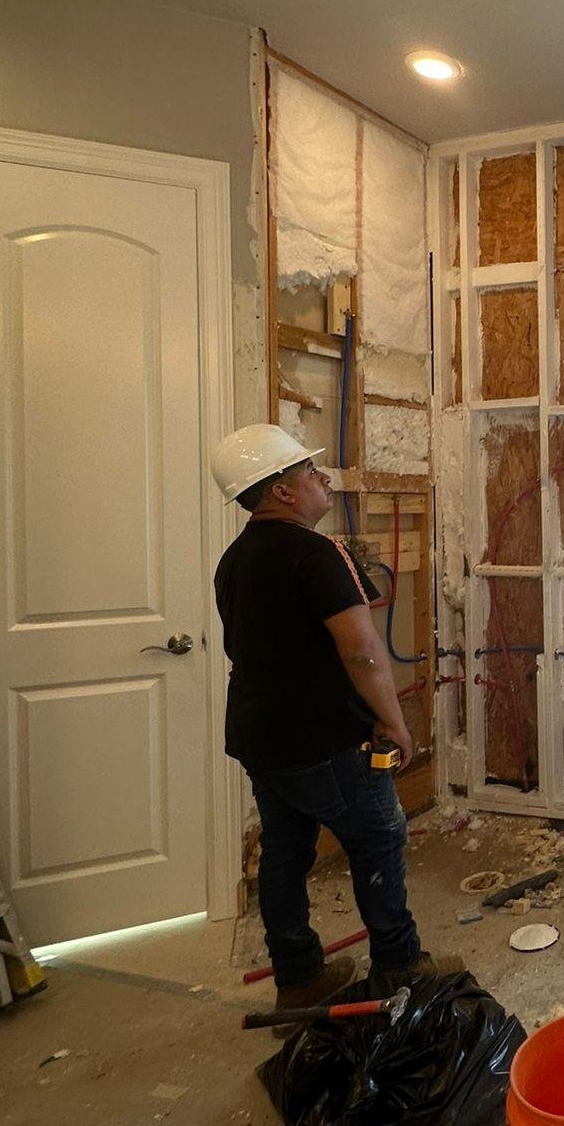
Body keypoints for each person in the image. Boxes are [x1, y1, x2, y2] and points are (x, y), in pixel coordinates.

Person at [210, 423, 450, 1009]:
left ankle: (298, 979)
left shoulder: (234, 559)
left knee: (284, 851)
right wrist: (394, 721)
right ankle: (401, 970)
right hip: (323, 739)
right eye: (309, 472)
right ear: (282, 491)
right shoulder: (315, 554)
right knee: (379, 839)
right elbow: (362, 651)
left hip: (261, 738)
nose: (322, 480)